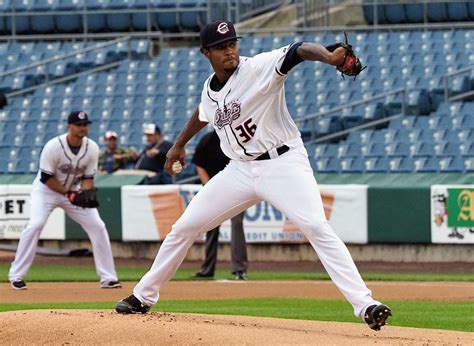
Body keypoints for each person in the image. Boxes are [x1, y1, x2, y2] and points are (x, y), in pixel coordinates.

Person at [116, 20, 392, 331]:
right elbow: (203, 112)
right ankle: (143, 296)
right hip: (239, 170)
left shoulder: (258, 68)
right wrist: (179, 144)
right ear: (206, 52)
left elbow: (298, 51)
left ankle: (365, 303)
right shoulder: (210, 88)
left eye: (232, 43)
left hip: (282, 163)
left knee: (316, 225)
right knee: (184, 227)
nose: (229, 50)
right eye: (221, 47)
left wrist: (328, 58)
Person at [8, 111, 121, 290]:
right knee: (35, 225)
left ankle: (108, 278)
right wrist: (70, 194)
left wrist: (85, 193)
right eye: (79, 124)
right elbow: (46, 178)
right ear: (69, 126)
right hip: (46, 191)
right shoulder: (53, 146)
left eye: (85, 124)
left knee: (98, 226)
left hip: (73, 191)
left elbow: (88, 178)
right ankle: (16, 275)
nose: (83, 127)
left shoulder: (91, 147)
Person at [192, 130, 247, 280]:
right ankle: (207, 269)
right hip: (215, 189)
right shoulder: (208, 139)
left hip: (237, 188)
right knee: (210, 227)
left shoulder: (237, 137)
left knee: (237, 224)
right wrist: (210, 187)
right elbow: (199, 164)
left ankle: (239, 269)